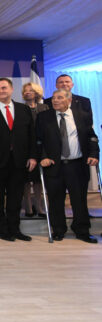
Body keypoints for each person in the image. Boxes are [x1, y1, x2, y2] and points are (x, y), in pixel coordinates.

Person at [36, 89, 99, 243]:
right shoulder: (43, 117)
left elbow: (92, 137)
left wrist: (93, 154)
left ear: (69, 100)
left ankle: (82, 231)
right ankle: (58, 230)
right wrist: (43, 157)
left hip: (76, 165)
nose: (55, 100)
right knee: (56, 200)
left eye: (59, 98)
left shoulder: (82, 116)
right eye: (54, 98)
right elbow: (37, 140)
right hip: (54, 165)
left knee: (79, 200)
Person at [0, 77, 37, 241]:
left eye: (4, 87)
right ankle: (2, 230)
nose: (0, 91)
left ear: (12, 89)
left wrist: (33, 156)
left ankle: (15, 229)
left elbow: (32, 135)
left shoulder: (24, 109)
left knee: (15, 198)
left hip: (19, 161)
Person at [21, 82, 49, 218]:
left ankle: (39, 206)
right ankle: (28, 206)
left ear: (37, 92)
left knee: (38, 179)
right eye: (25, 91)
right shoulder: (20, 108)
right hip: (25, 148)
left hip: (41, 148)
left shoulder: (45, 107)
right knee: (26, 179)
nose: (27, 93)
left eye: (30, 90)